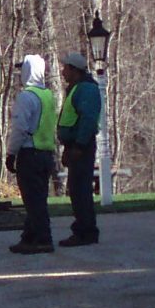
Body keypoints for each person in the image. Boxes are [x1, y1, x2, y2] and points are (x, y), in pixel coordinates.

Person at [3, 53, 58, 254]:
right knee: (38, 197)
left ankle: (44, 239)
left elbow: (20, 128)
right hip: (46, 154)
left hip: (30, 153)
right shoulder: (48, 96)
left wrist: (11, 153)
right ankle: (29, 236)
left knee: (33, 200)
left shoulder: (26, 97)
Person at [57, 52, 104, 247]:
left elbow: (88, 119)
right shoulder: (77, 88)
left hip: (81, 146)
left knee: (81, 189)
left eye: (65, 68)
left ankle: (85, 231)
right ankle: (84, 230)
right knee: (76, 189)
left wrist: (79, 145)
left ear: (74, 70)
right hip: (74, 145)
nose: (62, 72)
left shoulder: (86, 89)